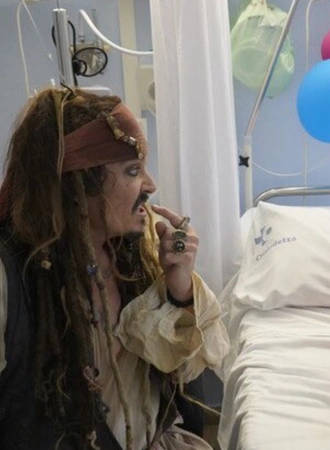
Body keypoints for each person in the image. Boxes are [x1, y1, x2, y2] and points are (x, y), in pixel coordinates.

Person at [0, 87, 229, 450]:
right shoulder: (11, 276)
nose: (150, 185)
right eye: (133, 170)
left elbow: (190, 369)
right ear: (79, 183)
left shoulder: (136, 253)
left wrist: (179, 288)